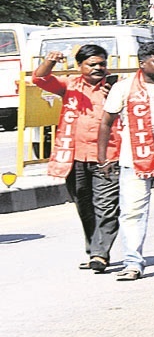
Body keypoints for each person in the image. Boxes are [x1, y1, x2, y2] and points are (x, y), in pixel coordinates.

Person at [98, 42, 154, 280]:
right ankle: (133, 262)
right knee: (133, 212)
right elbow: (106, 122)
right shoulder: (123, 88)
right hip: (133, 161)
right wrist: (104, 155)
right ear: (142, 63)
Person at [31, 45, 120, 273]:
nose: (98, 68)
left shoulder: (115, 86)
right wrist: (50, 61)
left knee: (107, 206)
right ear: (80, 66)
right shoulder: (70, 85)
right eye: (92, 64)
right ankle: (93, 251)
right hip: (74, 156)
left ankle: (102, 253)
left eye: (102, 64)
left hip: (108, 156)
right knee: (84, 205)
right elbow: (39, 79)